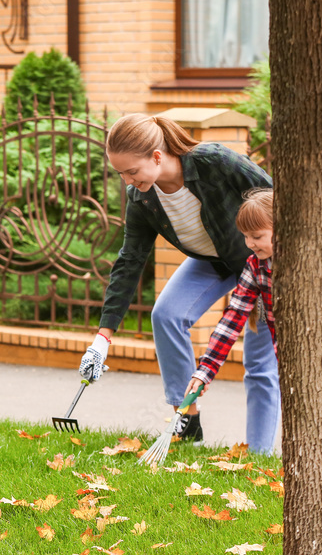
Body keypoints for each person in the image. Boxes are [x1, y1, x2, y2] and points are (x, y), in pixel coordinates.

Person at [78, 113, 278, 453]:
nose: (127, 180)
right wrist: (103, 337)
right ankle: (185, 420)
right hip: (209, 263)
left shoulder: (213, 161)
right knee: (166, 314)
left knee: (259, 365)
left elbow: (273, 198)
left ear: (157, 157)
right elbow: (130, 260)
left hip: (257, 262)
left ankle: (258, 456)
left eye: (132, 171)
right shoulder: (142, 198)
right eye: (121, 173)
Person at [186, 188, 276, 396]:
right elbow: (233, 317)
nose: (249, 244)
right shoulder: (255, 266)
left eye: (257, 236)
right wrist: (205, 371)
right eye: (245, 237)